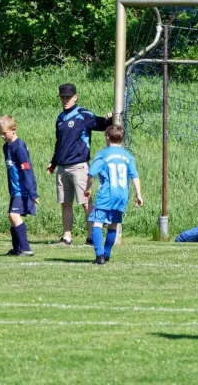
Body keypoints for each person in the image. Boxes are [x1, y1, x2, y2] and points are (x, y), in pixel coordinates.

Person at [47, 83, 112, 246]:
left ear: (75, 97)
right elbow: (59, 143)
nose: (65, 100)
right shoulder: (60, 118)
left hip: (79, 166)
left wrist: (110, 119)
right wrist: (53, 162)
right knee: (65, 203)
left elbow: (103, 124)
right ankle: (66, 237)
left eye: (68, 97)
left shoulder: (83, 115)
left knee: (85, 202)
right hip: (62, 168)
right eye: (62, 97)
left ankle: (91, 237)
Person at [84, 125, 143, 264]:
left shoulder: (103, 154)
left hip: (107, 194)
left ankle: (99, 256)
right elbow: (134, 175)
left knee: (97, 223)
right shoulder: (128, 156)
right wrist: (138, 194)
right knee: (113, 224)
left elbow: (92, 173)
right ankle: (107, 254)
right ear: (122, 139)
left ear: (107, 137)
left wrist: (88, 188)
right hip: (122, 195)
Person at [0, 114, 39, 257]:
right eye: (0, 133)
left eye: (4, 133)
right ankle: (16, 249)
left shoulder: (19, 148)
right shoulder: (6, 147)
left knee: (14, 215)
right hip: (15, 190)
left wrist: (32, 193)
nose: (2, 136)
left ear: (13, 129)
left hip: (23, 189)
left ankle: (26, 249)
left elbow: (27, 170)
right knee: (11, 217)